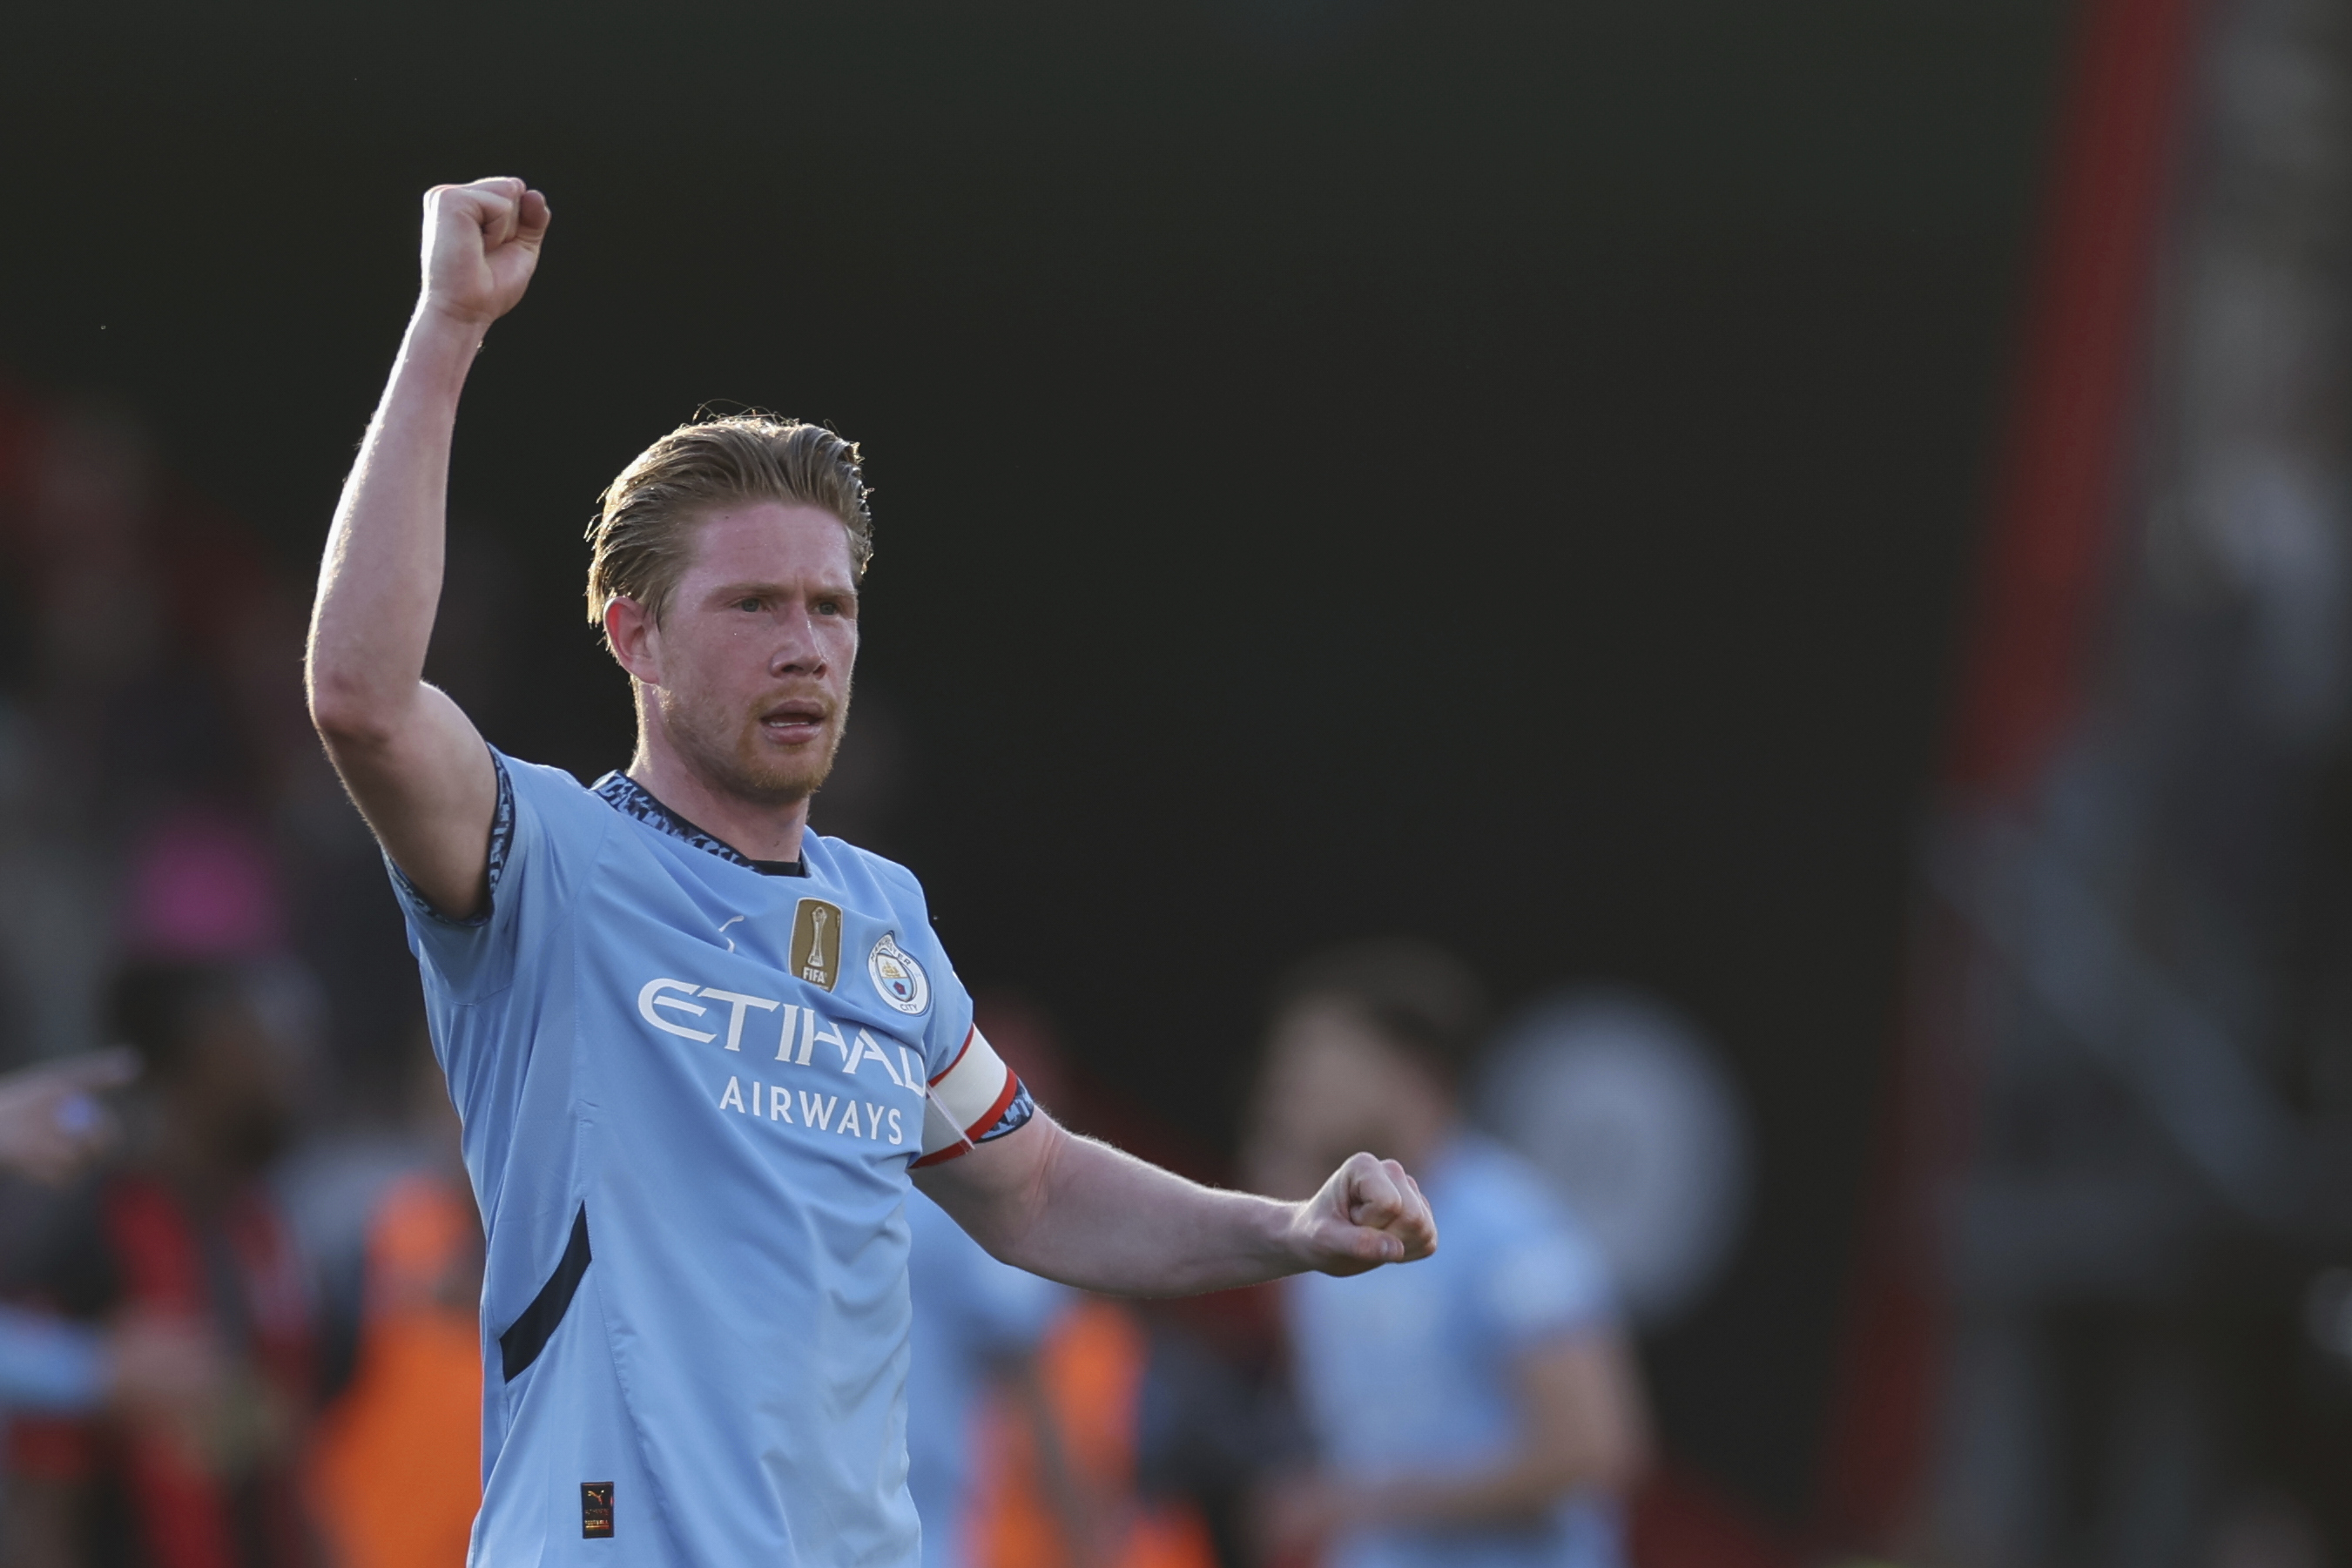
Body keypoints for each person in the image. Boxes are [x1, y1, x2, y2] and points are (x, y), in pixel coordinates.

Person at [301, 176, 1438, 1568]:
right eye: (754, 606)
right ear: (633, 638)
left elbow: (1033, 1189)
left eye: (830, 607)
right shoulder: (545, 855)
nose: (807, 646)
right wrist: (448, 325)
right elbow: (361, 696)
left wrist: (1291, 1227)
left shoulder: (879, 918)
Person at [1243, 940, 1651, 1568]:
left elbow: (1591, 1449)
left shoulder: (1508, 1225)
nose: (1291, 1091)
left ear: (1407, 1073)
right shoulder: (1317, 1233)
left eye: (1318, 1065)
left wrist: (1362, 1502)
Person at [9, 962, 314, 1568]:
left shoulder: (264, 1229)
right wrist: (89, 1371)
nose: (287, 1066)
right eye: (258, 1038)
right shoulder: (91, 1234)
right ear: (199, 1055)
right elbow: (44, 1496)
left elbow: (285, 1453)